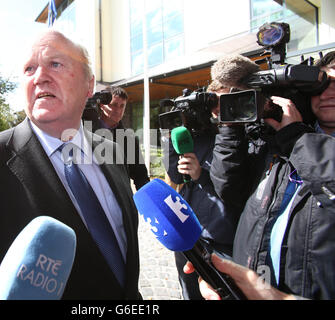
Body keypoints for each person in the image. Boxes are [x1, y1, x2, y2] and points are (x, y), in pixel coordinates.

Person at [0, 29, 141, 300]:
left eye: (56, 64)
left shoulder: (113, 151)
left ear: (89, 85)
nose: (40, 77)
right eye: (29, 68)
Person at [186, 51, 335, 299]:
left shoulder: (295, 139)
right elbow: (231, 189)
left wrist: (297, 138)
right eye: (322, 83)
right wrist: (231, 128)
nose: (329, 93)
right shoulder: (284, 140)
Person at [163, 80, 240, 300]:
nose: (217, 109)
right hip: (189, 235)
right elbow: (176, 176)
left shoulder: (239, 138)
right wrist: (173, 137)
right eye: (213, 102)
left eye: (223, 101)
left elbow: (233, 188)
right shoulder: (193, 136)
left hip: (223, 239)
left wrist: (201, 176)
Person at [82, 86, 149, 191]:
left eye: (122, 106)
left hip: (121, 198)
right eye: (113, 105)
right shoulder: (84, 130)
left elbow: (140, 176)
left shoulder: (129, 139)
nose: (118, 110)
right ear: (101, 105)